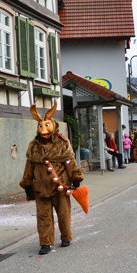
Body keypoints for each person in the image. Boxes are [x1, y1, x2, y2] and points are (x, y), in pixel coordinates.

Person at [21, 103, 84, 255]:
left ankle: (66, 237)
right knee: (43, 217)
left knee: (63, 214)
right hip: (40, 188)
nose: (43, 130)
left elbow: (70, 162)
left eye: (46, 125)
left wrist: (76, 177)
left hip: (60, 187)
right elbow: (29, 166)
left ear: (53, 126)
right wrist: (27, 183)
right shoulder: (33, 146)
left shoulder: (62, 144)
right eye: (40, 126)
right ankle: (45, 243)